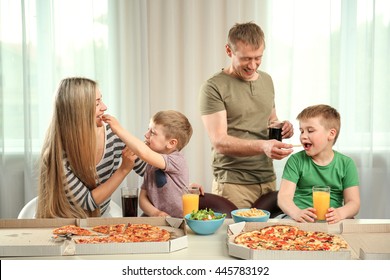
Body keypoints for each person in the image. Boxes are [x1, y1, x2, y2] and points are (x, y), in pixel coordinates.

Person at [199, 21, 294, 209]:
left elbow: (270, 120)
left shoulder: (267, 80)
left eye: (258, 58)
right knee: (234, 236)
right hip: (233, 183)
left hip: (266, 179)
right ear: (229, 51)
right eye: (246, 59)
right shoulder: (213, 87)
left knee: (267, 238)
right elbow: (219, 141)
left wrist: (282, 127)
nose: (253, 65)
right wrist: (263, 146)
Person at [36, 77, 146, 218]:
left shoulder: (113, 134)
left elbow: (147, 171)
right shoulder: (57, 154)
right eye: (97, 103)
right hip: (65, 225)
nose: (104, 107)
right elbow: (88, 202)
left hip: (99, 221)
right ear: (79, 111)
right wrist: (123, 170)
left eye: (101, 100)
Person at [277, 104, 360, 224]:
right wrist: (296, 213)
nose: (303, 136)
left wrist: (340, 213)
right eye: (301, 131)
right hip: (299, 220)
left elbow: (354, 203)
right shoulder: (296, 160)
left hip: (331, 222)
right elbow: (284, 197)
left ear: (331, 134)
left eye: (310, 130)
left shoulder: (346, 164)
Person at [103, 110, 194, 218]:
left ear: (171, 143)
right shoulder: (151, 165)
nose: (146, 135)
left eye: (153, 133)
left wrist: (118, 130)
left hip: (177, 222)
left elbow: (144, 153)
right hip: (153, 220)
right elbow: (143, 198)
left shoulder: (177, 160)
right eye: (148, 130)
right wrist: (156, 213)